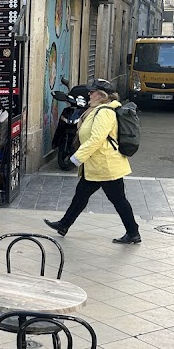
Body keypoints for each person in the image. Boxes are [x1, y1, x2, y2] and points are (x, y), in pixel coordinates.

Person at [44, 78, 141, 245]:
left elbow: (96, 139)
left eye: (92, 91)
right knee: (81, 195)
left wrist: (75, 158)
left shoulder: (104, 112)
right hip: (97, 166)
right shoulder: (97, 109)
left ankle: (133, 232)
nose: (89, 93)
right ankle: (64, 224)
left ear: (101, 95)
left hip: (105, 166)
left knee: (118, 200)